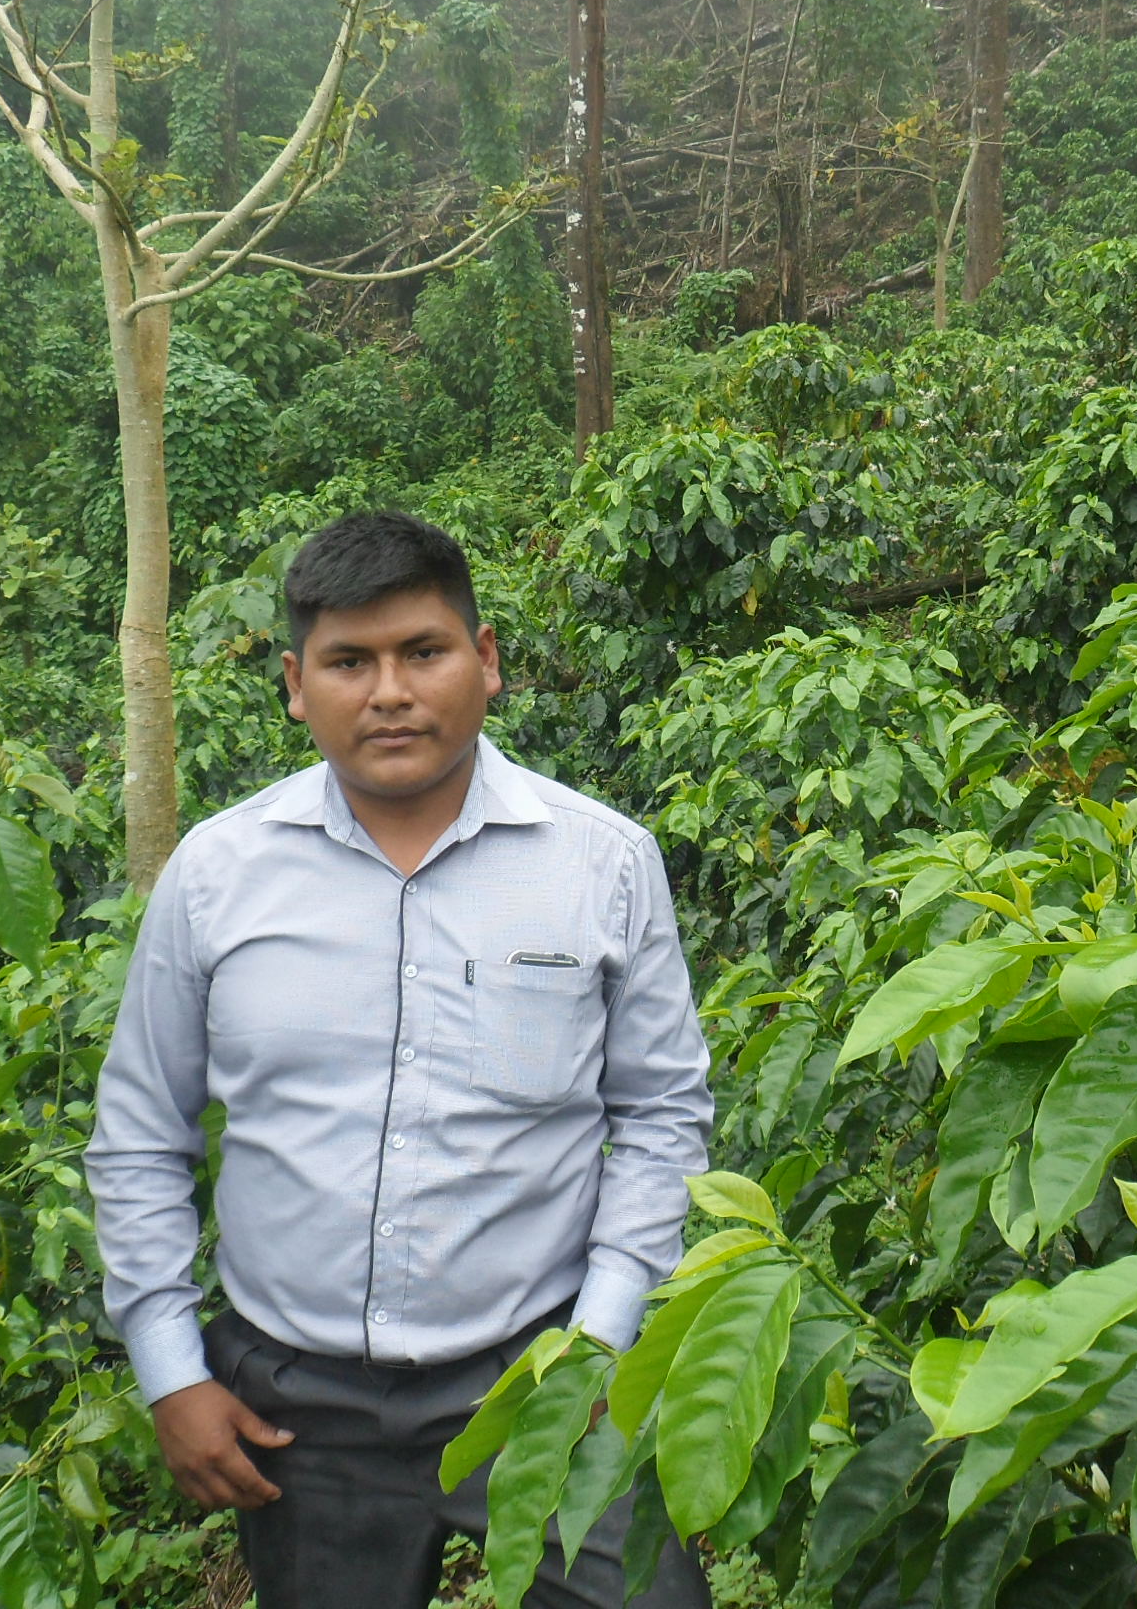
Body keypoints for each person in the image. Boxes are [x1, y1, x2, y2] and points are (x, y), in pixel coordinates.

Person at [87, 510, 714, 1607]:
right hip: (298, 1409)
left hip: (542, 1378)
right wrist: (168, 1368)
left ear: (486, 663)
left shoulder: (602, 865)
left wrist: (605, 1343)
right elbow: (141, 1133)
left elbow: (659, 1117)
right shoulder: (217, 877)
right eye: (349, 661)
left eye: (422, 652)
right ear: (294, 683)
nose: (389, 691)